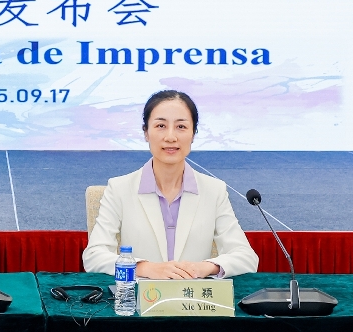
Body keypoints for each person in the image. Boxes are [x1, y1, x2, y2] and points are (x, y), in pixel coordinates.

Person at [83, 90, 258, 278]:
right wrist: (146, 268)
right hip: (141, 294)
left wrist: (205, 267)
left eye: (181, 126)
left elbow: (246, 257)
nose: (171, 137)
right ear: (146, 132)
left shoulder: (214, 190)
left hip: (193, 294)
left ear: (193, 134)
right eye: (161, 126)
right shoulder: (119, 189)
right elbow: (94, 256)